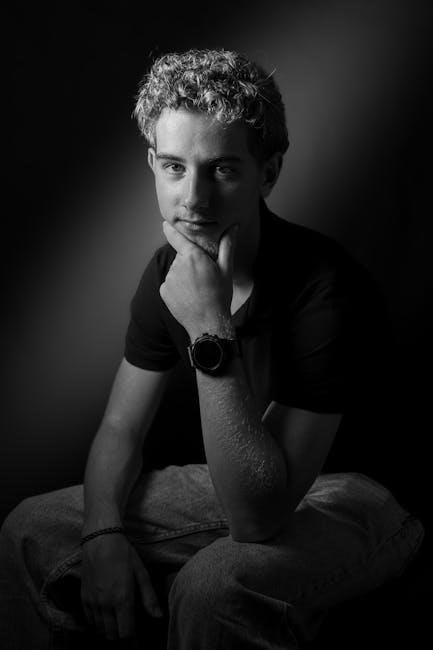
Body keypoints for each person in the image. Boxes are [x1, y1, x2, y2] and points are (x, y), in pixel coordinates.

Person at [0, 48, 424, 650]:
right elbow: (120, 428)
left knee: (212, 587)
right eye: (174, 167)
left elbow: (257, 517)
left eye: (222, 170)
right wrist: (102, 535)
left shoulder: (327, 290)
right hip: (243, 476)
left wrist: (209, 324)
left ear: (267, 174)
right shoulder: (168, 273)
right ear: (153, 164)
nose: (193, 198)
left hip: (357, 497)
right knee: (31, 529)